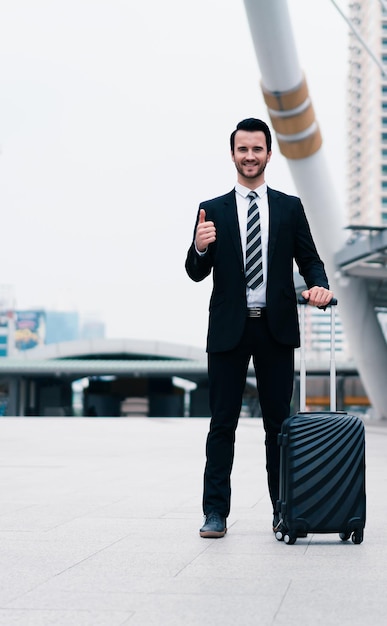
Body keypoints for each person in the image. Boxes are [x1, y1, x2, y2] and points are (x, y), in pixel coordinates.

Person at [185, 117, 333, 538]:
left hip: (275, 329)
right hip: (230, 330)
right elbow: (195, 271)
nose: (249, 156)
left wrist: (319, 286)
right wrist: (199, 247)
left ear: (269, 153)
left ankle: (282, 509)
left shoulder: (289, 207)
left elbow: (310, 260)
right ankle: (215, 513)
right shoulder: (211, 210)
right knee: (221, 425)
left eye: (257, 149)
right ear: (232, 154)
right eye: (242, 149)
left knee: (278, 428)